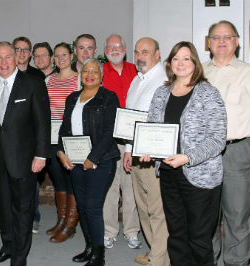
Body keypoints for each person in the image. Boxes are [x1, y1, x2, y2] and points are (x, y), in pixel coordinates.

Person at [142, 41, 227, 265]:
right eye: (176, 59)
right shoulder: (161, 92)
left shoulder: (208, 93)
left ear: (195, 63)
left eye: (186, 58)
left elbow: (218, 139)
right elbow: (152, 125)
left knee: (199, 238)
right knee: (177, 235)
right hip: (169, 173)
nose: (180, 63)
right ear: (169, 63)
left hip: (200, 176)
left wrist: (188, 157)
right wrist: (147, 149)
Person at [204, 20, 250, 266]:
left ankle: (236, 262)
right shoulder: (199, 73)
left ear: (236, 41)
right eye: (216, 37)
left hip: (238, 152)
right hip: (204, 155)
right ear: (208, 42)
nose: (221, 41)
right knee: (206, 215)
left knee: (238, 215)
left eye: (227, 36)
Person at [0, 41, 50, 266]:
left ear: (16, 58)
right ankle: (7, 246)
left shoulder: (34, 84)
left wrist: (41, 155)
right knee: (4, 209)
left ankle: (20, 256)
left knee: (23, 210)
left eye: (8, 57)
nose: (4, 62)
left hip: (25, 161)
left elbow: (42, 123)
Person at [58, 58, 120, 266]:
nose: (90, 74)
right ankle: (89, 247)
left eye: (94, 71)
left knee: (93, 207)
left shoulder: (109, 98)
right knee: (82, 206)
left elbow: (110, 132)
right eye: (86, 70)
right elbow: (64, 129)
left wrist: (92, 158)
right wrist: (61, 153)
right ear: (81, 74)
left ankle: (99, 255)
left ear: (102, 76)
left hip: (101, 161)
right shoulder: (72, 97)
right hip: (74, 162)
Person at [123, 37, 170, 266]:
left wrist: (149, 149)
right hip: (137, 153)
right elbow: (131, 119)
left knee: (157, 209)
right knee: (143, 207)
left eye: (145, 51)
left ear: (158, 54)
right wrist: (128, 150)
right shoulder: (136, 80)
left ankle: (160, 258)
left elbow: (162, 123)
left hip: (153, 156)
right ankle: (156, 253)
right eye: (137, 52)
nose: (140, 56)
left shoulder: (164, 81)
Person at [100, 34, 141, 250]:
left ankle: (131, 230)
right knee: (110, 187)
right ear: (104, 49)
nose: (114, 49)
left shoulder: (137, 71)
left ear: (125, 48)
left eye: (118, 45)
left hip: (134, 138)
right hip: (109, 139)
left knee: (132, 188)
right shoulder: (99, 72)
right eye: (110, 46)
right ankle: (109, 230)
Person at [45, 42, 80, 243]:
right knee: (58, 178)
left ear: (71, 56)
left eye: (64, 54)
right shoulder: (48, 81)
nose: (60, 59)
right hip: (52, 138)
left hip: (72, 137)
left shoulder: (78, 80)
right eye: (57, 56)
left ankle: (70, 224)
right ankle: (61, 219)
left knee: (72, 179)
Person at [12, 36, 45, 233]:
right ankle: (12, 219)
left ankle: (33, 217)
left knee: (31, 182)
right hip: (10, 138)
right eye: (18, 49)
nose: (22, 53)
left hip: (30, 139)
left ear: (30, 54)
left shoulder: (37, 76)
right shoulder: (5, 73)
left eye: (26, 50)